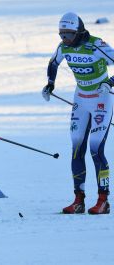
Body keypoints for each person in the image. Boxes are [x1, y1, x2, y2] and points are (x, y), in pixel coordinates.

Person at [42, 12, 114, 214]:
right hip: (81, 100)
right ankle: (78, 199)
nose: (65, 40)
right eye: (62, 35)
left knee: (96, 149)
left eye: (69, 35)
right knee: (76, 149)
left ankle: (103, 200)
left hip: (102, 99)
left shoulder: (96, 44)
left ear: (79, 32)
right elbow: (53, 63)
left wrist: (110, 83)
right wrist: (50, 84)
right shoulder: (64, 47)